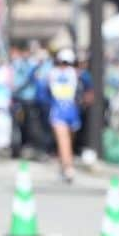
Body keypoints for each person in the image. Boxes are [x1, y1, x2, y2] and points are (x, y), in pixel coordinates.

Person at [47, 48, 81, 182]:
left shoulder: (72, 73)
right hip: (59, 109)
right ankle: (68, 167)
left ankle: (64, 166)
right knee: (64, 140)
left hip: (69, 109)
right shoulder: (55, 73)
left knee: (68, 140)